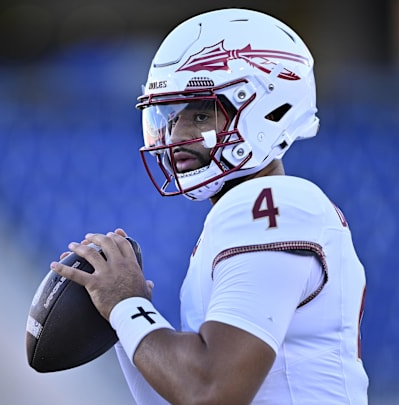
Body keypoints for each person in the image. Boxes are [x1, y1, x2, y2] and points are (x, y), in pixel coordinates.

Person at [51, 8, 369, 404]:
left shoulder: (274, 204)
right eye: (170, 117)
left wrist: (126, 304)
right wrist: (124, 321)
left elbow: (211, 390)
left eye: (201, 114)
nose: (177, 135)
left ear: (268, 108)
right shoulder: (242, 215)